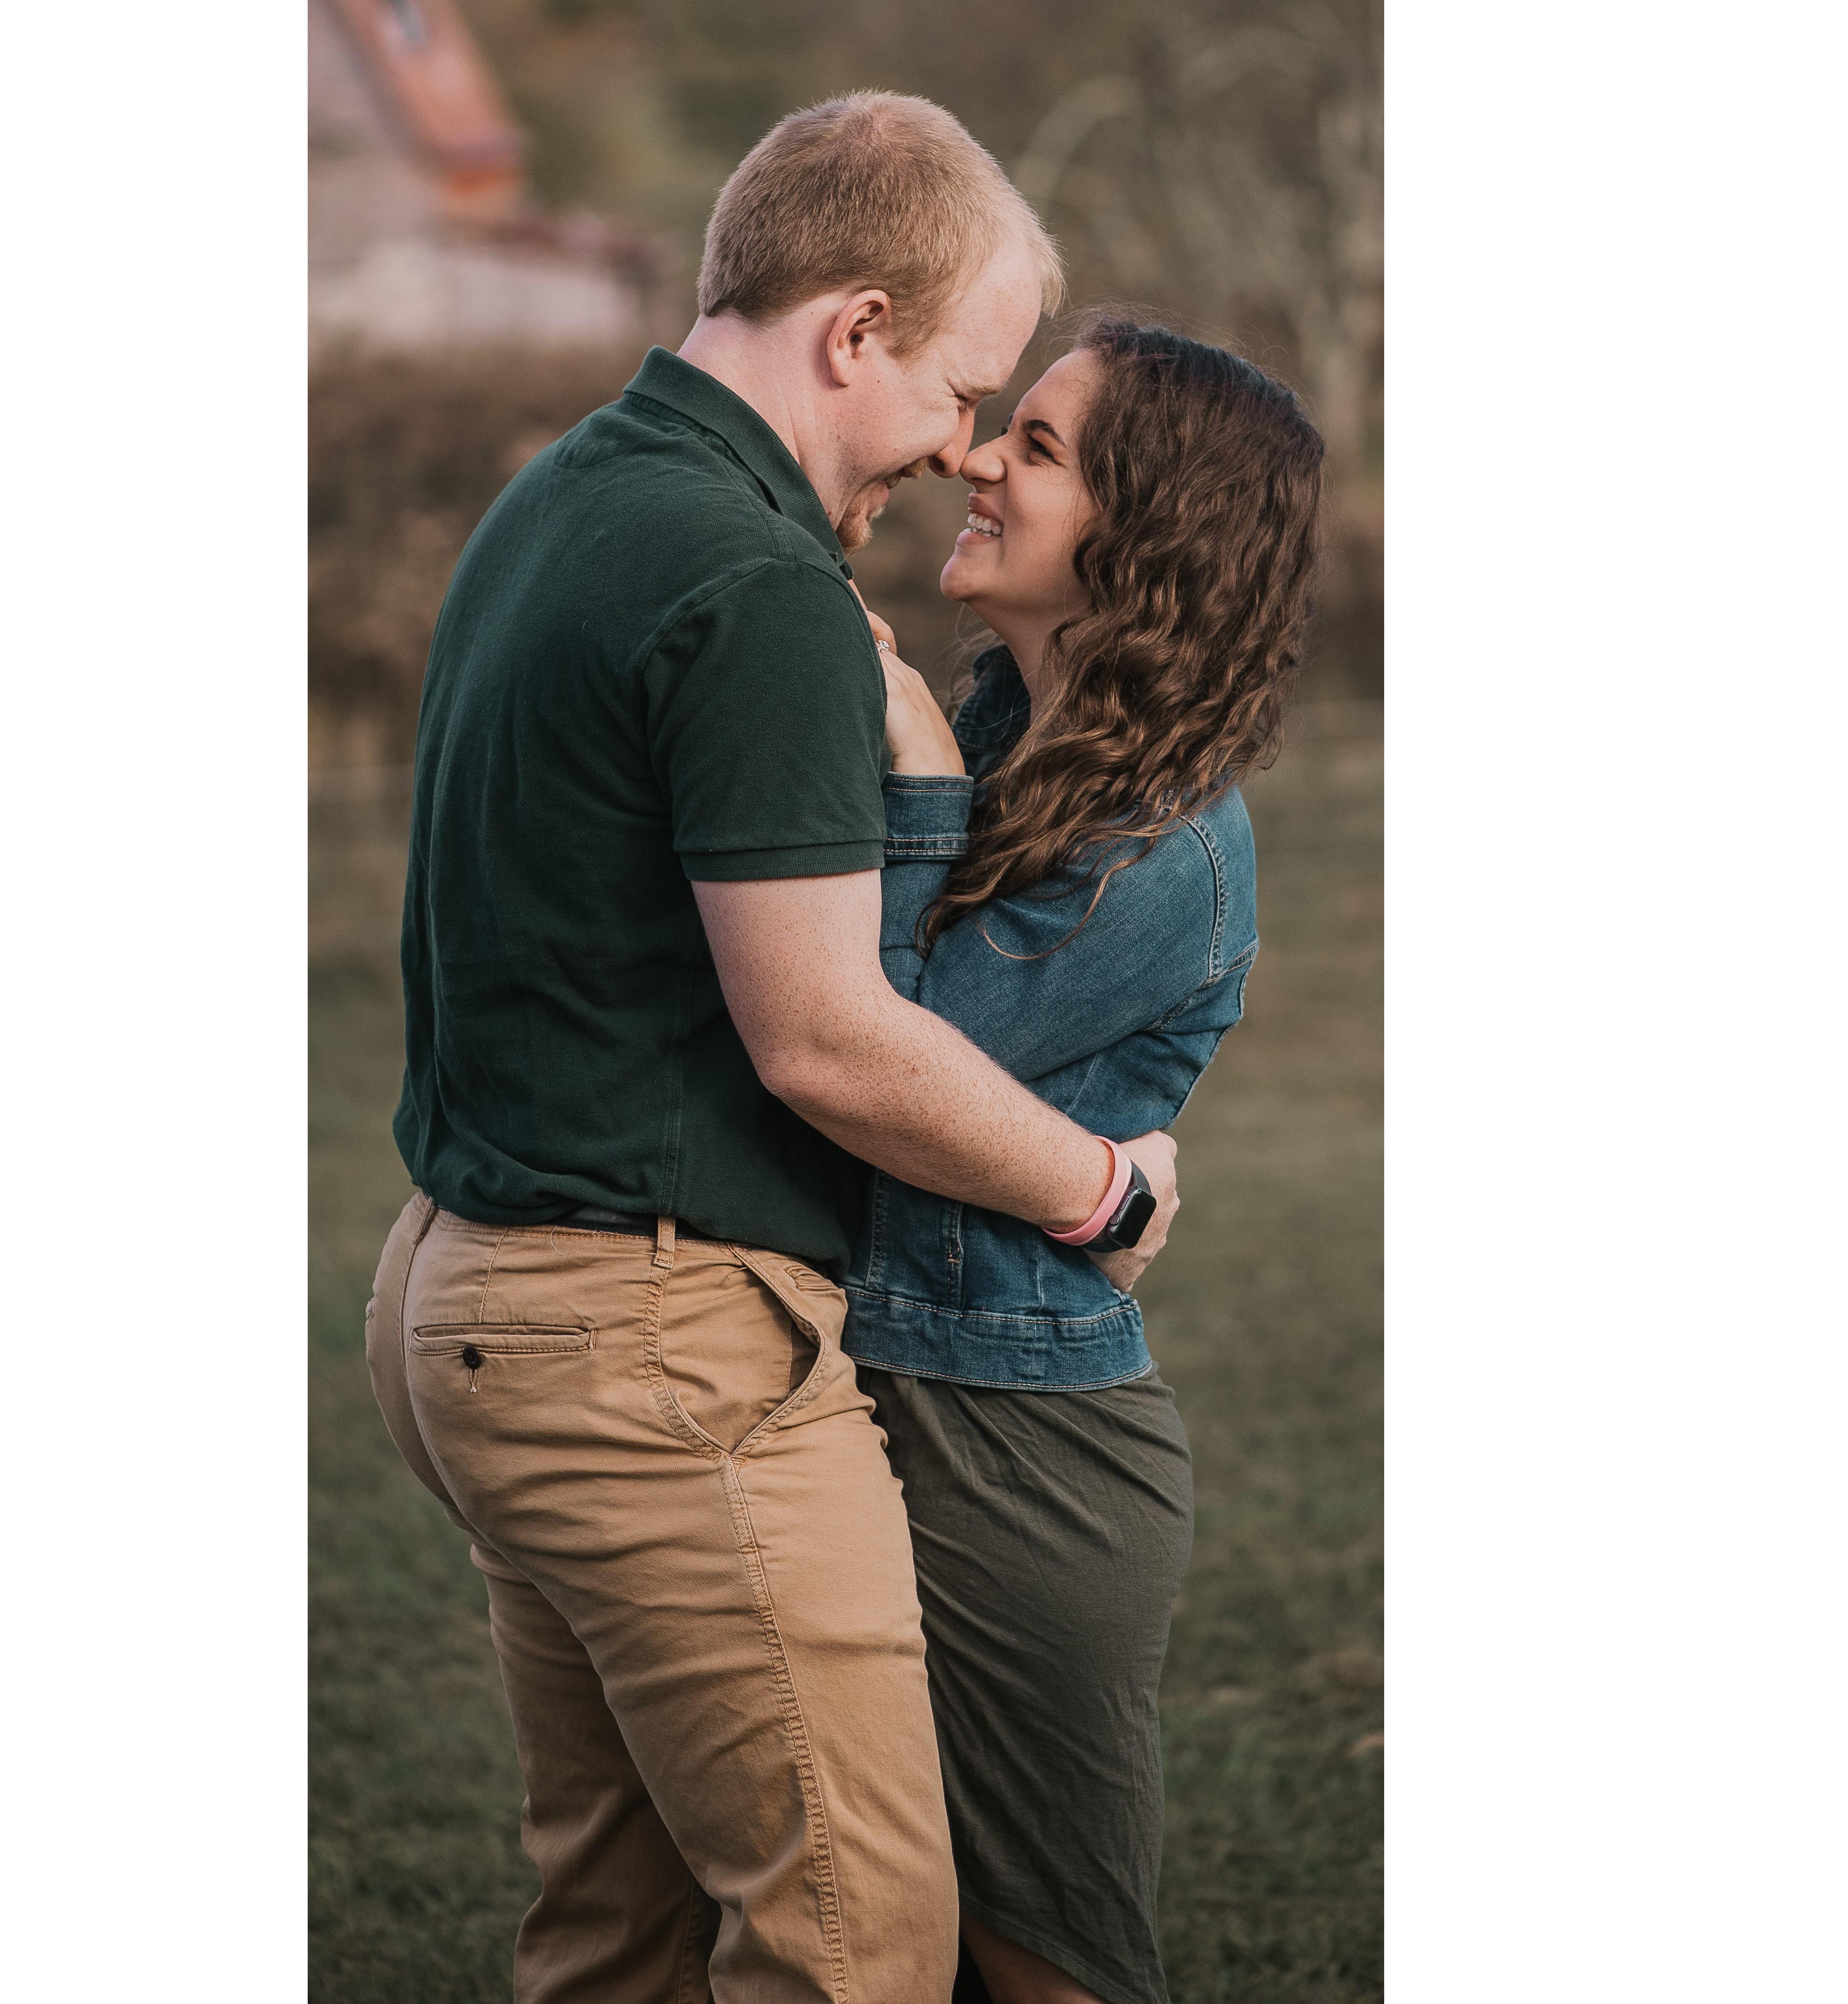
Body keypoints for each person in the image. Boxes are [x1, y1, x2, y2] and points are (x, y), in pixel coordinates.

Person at [362, 98, 1183, 2004]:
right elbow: (825, 1036)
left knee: (621, 1933)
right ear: (854, 330)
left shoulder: (565, 491)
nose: (959, 449)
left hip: (473, 1294)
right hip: (642, 1350)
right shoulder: (755, 585)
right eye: (957, 392)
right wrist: (1099, 1188)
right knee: (855, 1940)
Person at [847, 317, 1325, 2004]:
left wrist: (913, 774)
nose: (977, 457)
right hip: (891, 1401)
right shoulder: (1005, 733)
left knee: (1039, 1957)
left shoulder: (1162, 845)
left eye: (1037, 447)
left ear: (1143, 534)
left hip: (1021, 1460)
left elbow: (878, 1055)